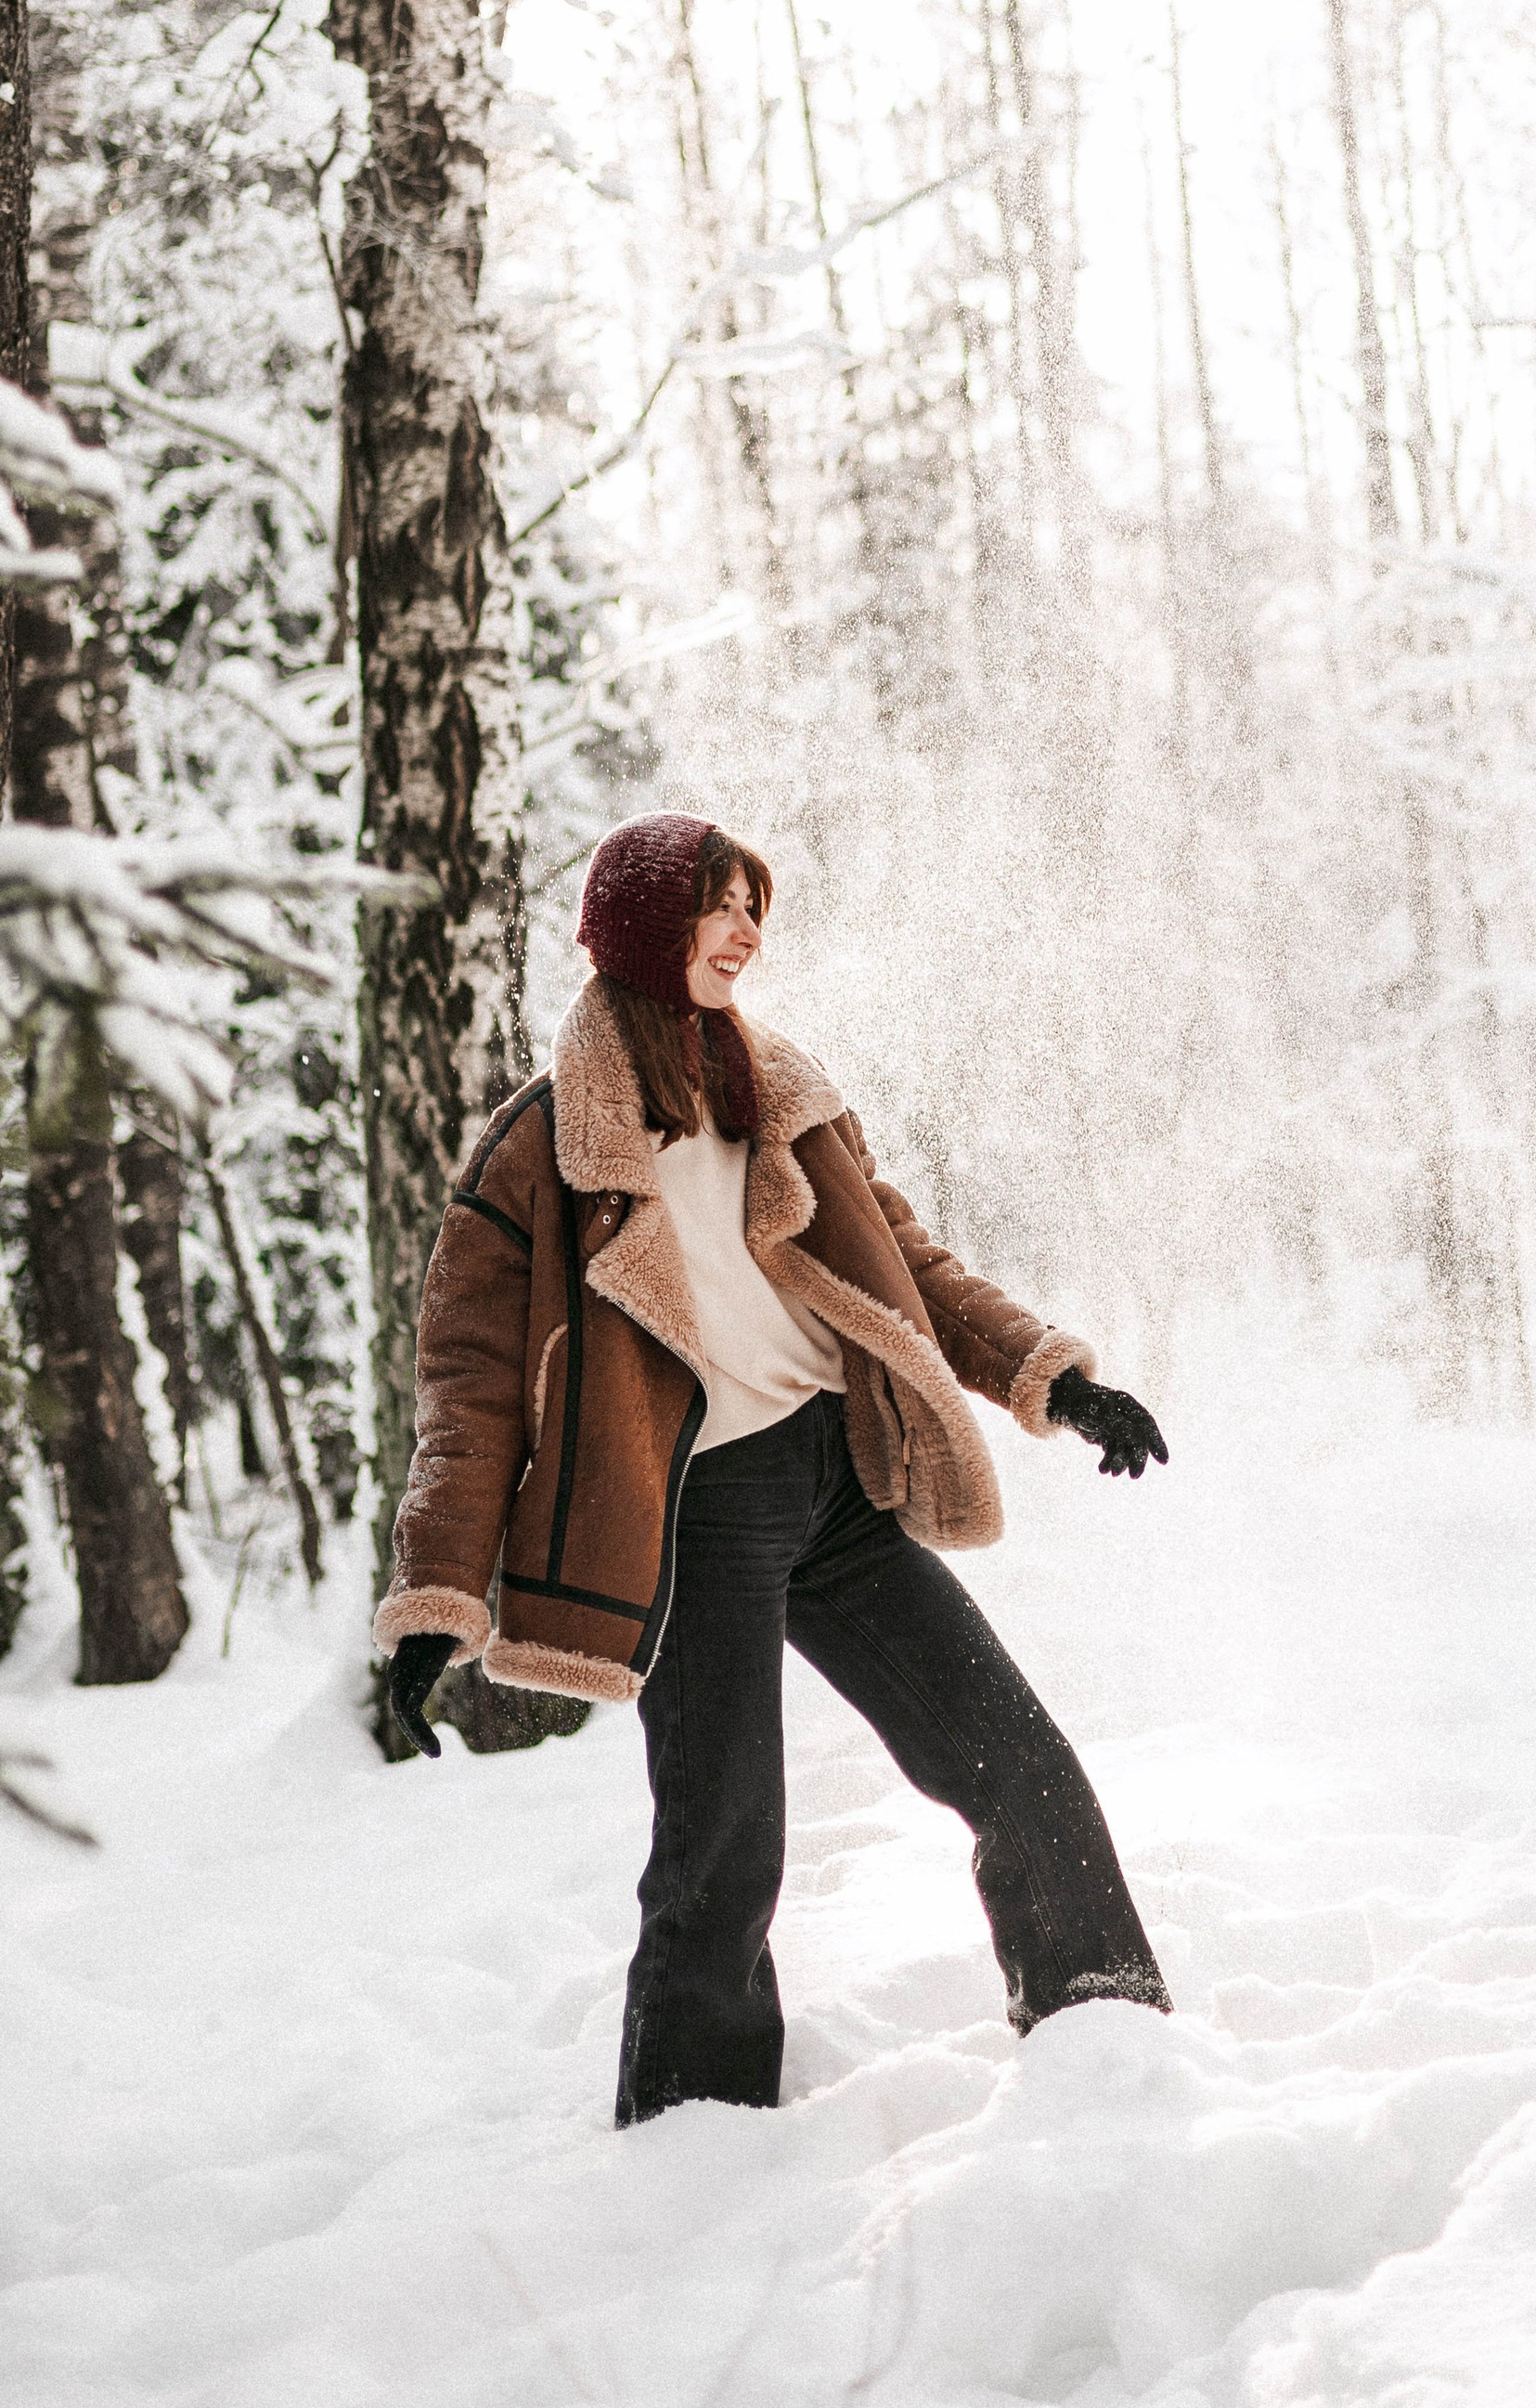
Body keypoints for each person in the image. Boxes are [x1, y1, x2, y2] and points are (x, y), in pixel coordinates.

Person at [373, 812, 1175, 2121]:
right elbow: (469, 1401)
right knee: (724, 1854)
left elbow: (911, 1271)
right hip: (698, 1518)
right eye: (721, 905)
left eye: (758, 908)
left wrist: (1058, 1381)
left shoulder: (784, 1098)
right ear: (645, 928)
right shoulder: (540, 1156)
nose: (750, 932)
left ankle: (1111, 2047)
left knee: (1021, 1765)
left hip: (838, 1488)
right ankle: (692, 2140)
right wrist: (436, 1603)